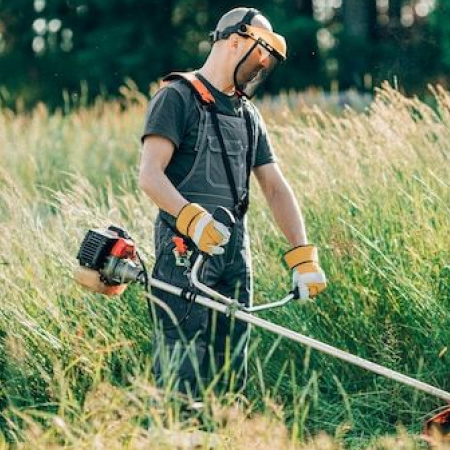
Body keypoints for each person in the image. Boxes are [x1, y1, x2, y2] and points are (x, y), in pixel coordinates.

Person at [137, 7, 327, 406]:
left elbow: (274, 187)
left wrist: (302, 255)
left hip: (234, 253)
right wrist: (192, 220)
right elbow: (151, 175)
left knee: (230, 370)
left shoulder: (247, 114)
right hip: (183, 251)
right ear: (236, 41)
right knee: (180, 368)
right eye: (260, 54)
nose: (262, 66)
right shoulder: (176, 97)